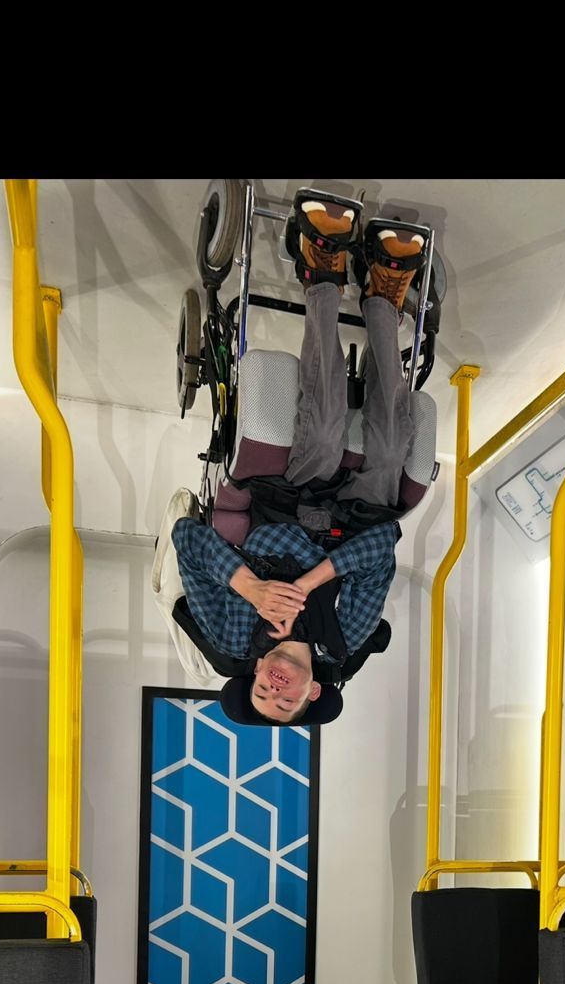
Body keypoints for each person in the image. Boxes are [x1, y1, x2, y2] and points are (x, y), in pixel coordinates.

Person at [163, 200, 427, 725]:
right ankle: (381, 299)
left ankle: (322, 275)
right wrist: (309, 586)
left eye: (262, 695)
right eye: (285, 702)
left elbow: (185, 540)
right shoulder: (342, 639)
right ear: (311, 694)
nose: (273, 691)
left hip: (289, 504)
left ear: (254, 679)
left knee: (327, 433)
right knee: (394, 441)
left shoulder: (233, 635)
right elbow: (384, 548)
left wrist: (252, 588)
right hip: (356, 522)